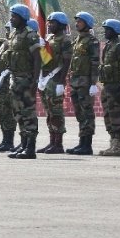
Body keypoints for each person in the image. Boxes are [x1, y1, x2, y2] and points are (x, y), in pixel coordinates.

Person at [7, 4, 42, 159]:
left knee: (28, 114)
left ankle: (31, 148)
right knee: (18, 114)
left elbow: (37, 59)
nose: (11, 19)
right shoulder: (14, 35)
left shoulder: (30, 35)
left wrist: (35, 81)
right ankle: (23, 144)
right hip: (15, 79)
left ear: (22, 18)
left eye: (14, 16)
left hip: (26, 80)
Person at [38, 12, 72, 154]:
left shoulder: (65, 40)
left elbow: (66, 61)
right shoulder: (49, 38)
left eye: (53, 23)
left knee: (56, 113)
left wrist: (61, 81)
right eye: (49, 22)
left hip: (55, 78)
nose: (50, 25)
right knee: (50, 113)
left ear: (61, 25)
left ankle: (58, 144)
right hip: (46, 79)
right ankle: (52, 141)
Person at [67, 12, 100, 155]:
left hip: (86, 82)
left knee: (87, 113)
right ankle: (81, 142)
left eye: (80, 21)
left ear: (87, 23)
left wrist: (93, 83)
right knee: (79, 113)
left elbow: (95, 62)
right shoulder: (77, 40)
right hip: (76, 82)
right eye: (77, 21)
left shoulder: (92, 41)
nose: (77, 24)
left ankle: (87, 145)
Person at [97, 19, 120, 156]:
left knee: (116, 116)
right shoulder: (108, 45)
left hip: (116, 85)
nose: (105, 32)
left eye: (108, 29)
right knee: (108, 115)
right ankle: (112, 143)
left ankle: (117, 145)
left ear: (114, 31)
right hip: (107, 85)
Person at [0, 22, 17, 152]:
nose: (7, 32)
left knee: (8, 111)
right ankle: (4, 139)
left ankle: (10, 141)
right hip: (1, 81)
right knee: (1, 112)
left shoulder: (15, 43)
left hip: (9, 80)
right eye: (6, 29)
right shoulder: (5, 42)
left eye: (9, 29)